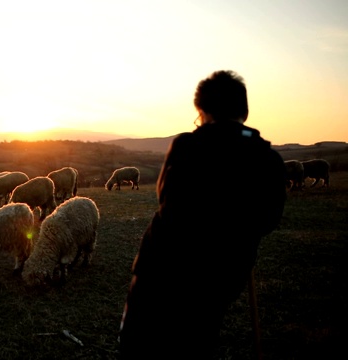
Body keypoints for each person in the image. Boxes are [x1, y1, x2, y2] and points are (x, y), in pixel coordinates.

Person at [118, 70, 287, 358]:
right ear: (244, 111)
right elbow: (269, 219)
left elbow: (166, 199)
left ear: (203, 111)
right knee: (196, 345)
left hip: (161, 274)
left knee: (139, 347)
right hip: (220, 279)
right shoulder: (269, 160)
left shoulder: (187, 146)